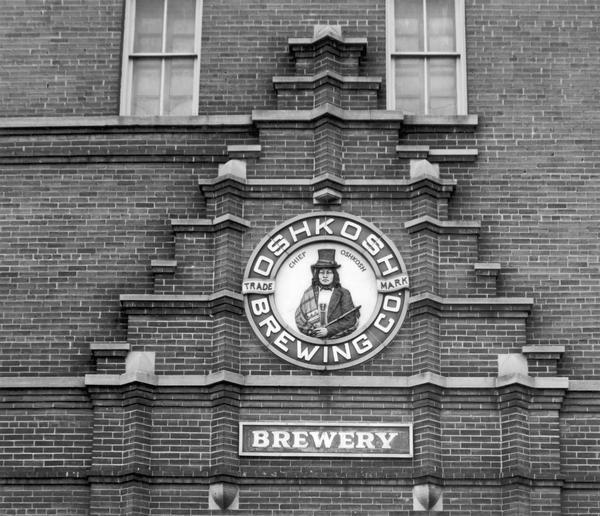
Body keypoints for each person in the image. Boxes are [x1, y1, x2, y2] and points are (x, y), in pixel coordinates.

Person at [295, 249, 359, 339]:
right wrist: (312, 330)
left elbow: (350, 320)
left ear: (334, 275)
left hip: (335, 337)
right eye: (321, 272)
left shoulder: (344, 293)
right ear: (317, 275)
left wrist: (328, 331)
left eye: (328, 272)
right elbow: (300, 317)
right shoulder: (309, 294)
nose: (325, 276)